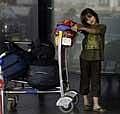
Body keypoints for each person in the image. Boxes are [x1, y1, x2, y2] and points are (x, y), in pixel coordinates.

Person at [78, 8, 106, 112]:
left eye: (90, 17)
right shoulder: (85, 28)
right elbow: (78, 28)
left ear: (95, 15)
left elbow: (95, 31)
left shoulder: (101, 27)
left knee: (96, 81)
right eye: (87, 20)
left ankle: (96, 105)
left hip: (96, 58)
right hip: (84, 58)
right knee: (85, 79)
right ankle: (85, 101)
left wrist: (84, 28)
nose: (90, 20)